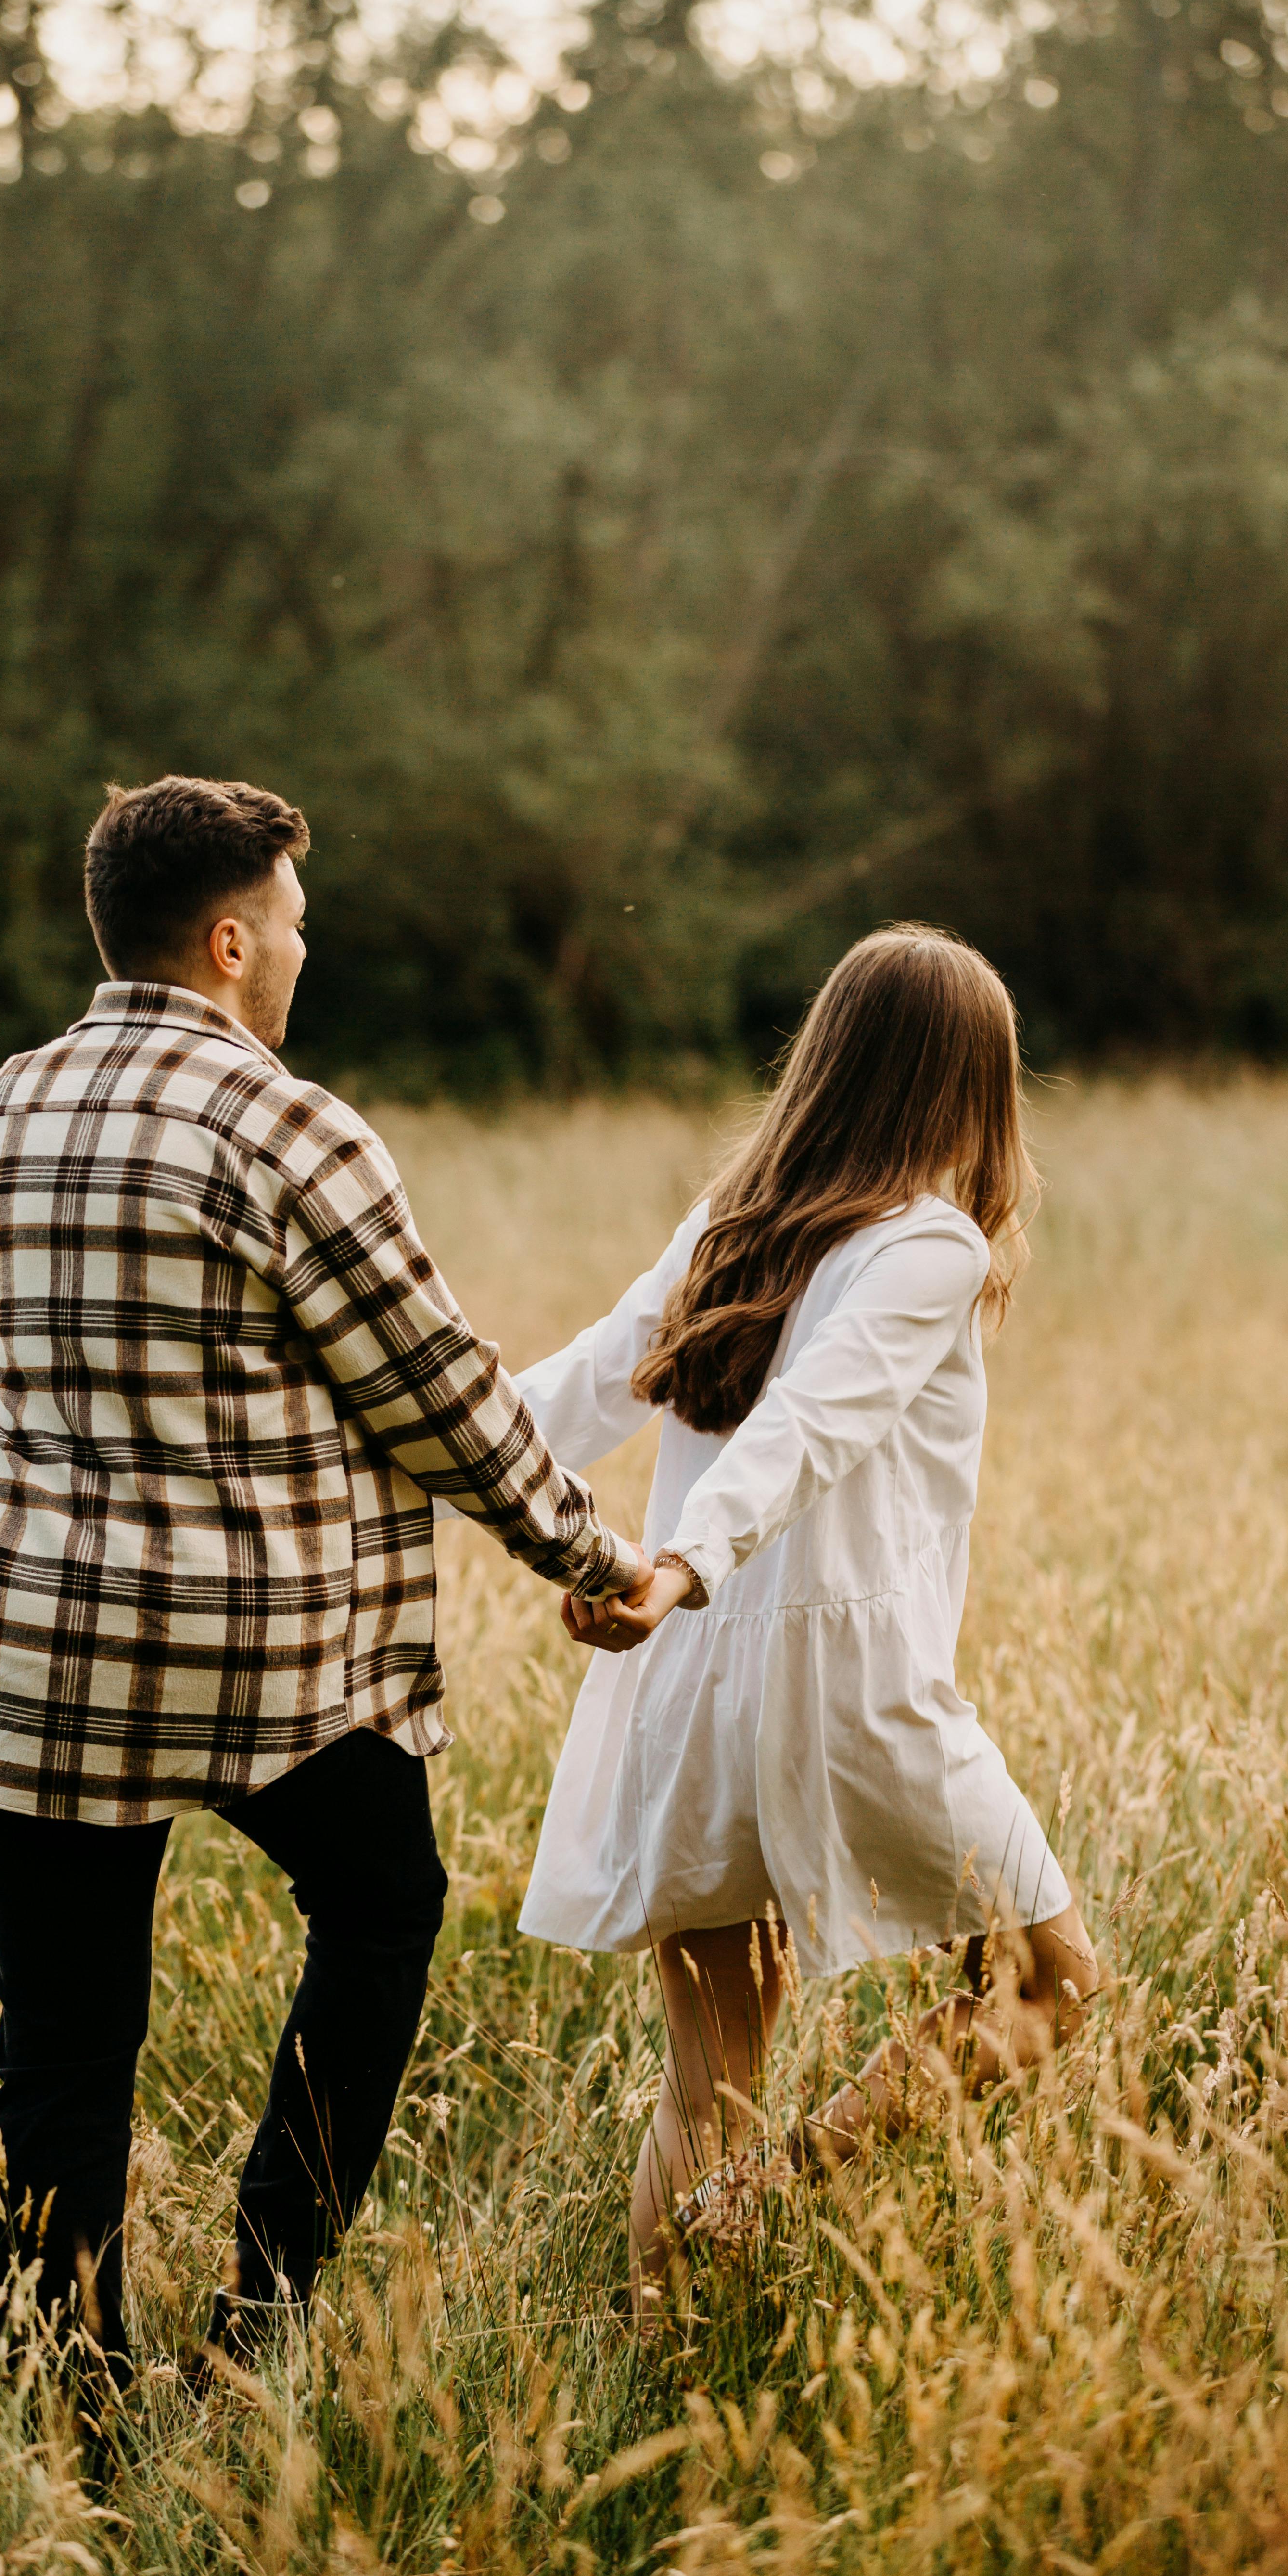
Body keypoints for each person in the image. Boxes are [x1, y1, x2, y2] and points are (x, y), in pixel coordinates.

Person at [0, 774, 643, 2406]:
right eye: (296, 926)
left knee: (66, 2046)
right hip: (259, 1672)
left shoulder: (5, 1106)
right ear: (232, 939)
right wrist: (595, 1560)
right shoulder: (284, 1123)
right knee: (381, 1906)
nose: (306, 955)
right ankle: (259, 2322)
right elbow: (439, 1392)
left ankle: (72, 2394)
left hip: (37, 1657)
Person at [512, 924, 1099, 2310]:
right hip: (844, 1690)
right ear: (969, 1086)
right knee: (1052, 1987)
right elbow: (812, 1425)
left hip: (689, 1677)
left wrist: (409, 1445)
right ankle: (768, 2192)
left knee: (712, 2075)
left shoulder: (732, 1227)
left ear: (828, 1064)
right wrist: (683, 1563)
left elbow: (568, 1398)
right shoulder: (931, 1246)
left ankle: (659, 2360)